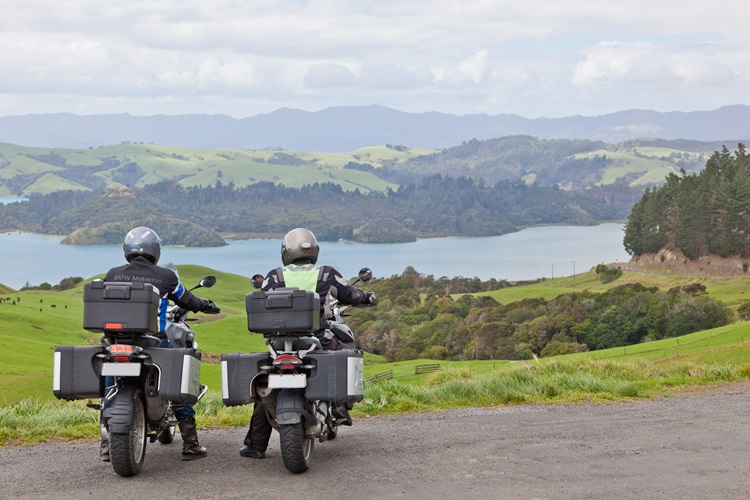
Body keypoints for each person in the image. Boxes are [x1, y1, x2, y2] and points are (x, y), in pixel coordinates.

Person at [239, 227, 377, 459]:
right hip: (317, 340)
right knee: (344, 351)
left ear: (286, 251)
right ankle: (341, 406)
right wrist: (367, 296)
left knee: (265, 393)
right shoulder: (326, 274)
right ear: (314, 250)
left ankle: (255, 446)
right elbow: (349, 294)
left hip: (280, 345)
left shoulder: (274, 276)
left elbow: (262, 298)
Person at [100, 226, 219, 461]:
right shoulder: (166, 277)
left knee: (110, 383)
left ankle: (106, 443)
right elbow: (187, 299)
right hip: (152, 343)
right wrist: (204, 304)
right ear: (156, 250)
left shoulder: (113, 274)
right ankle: (191, 443)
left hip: (117, 342)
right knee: (176, 378)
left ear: (127, 250)